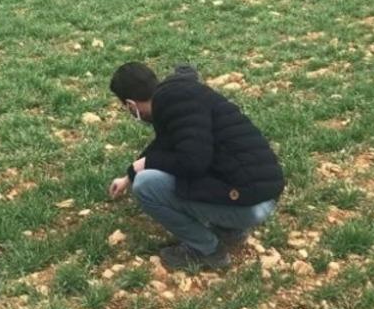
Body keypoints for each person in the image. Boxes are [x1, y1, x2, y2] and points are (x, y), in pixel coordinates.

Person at [107, 62, 284, 271]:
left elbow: (193, 163)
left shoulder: (174, 104)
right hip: (261, 193)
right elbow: (165, 143)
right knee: (155, 173)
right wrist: (129, 175)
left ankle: (207, 250)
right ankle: (229, 230)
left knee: (146, 186)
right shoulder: (180, 97)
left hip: (249, 205)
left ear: (130, 104)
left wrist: (146, 165)